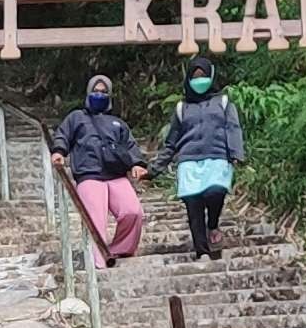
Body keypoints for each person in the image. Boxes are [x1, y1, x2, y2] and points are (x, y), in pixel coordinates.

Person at [48, 71, 146, 262]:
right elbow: (63, 135)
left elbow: (130, 145)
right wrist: (59, 151)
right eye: (95, 91)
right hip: (89, 174)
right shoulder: (76, 117)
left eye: (103, 92)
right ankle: (98, 261)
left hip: (116, 174)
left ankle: (121, 249)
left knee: (132, 211)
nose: (99, 95)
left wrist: (138, 164)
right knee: (96, 219)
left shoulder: (118, 123)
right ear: (88, 92)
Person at [163, 55, 243, 259]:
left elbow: (233, 128)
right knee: (193, 205)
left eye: (203, 75)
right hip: (188, 162)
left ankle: (213, 224)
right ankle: (202, 251)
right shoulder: (182, 108)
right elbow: (171, 141)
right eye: (195, 76)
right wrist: (154, 169)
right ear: (188, 79)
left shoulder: (223, 102)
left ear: (211, 76)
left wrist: (236, 153)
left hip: (217, 157)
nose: (199, 80)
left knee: (216, 192)